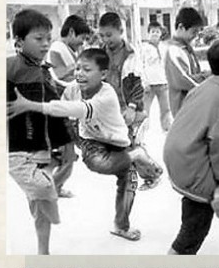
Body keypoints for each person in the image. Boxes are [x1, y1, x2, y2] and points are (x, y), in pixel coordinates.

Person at [32, 40, 144, 242]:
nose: (79, 73)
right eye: (77, 69)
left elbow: (82, 109)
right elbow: (61, 112)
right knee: (92, 162)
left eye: (86, 70)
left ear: (103, 74)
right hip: (89, 139)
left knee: (129, 176)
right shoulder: (73, 89)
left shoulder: (106, 93)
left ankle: (121, 224)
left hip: (113, 137)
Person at [164, 33, 219, 257]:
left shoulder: (201, 87)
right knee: (194, 229)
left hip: (176, 154)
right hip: (192, 162)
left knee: (193, 207)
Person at [6, 8, 76, 256]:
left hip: (43, 150)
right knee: (45, 191)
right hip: (17, 151)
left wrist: (67, 144)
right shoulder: (8, 69)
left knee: (39, 208)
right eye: (38, 38)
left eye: (48, 38)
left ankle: (43, 252)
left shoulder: (44, 71)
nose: (46, 44)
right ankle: (51, 195)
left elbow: (55, 111)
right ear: (19, 41)